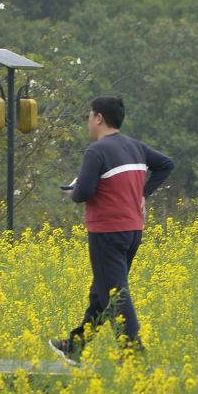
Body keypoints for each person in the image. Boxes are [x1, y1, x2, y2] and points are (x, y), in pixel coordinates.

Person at [48, 95, 175, 364]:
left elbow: (83, 192)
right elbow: (166, 165)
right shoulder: (135, 147)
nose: (88, 121)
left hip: (107, 231)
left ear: (99, 118)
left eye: (89, 115)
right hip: (132, 231)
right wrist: (142, 194)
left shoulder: (97, 151)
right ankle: (75, 345)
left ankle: (133, 356)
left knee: (115, 294)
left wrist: (72, 192)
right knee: (102, 291)